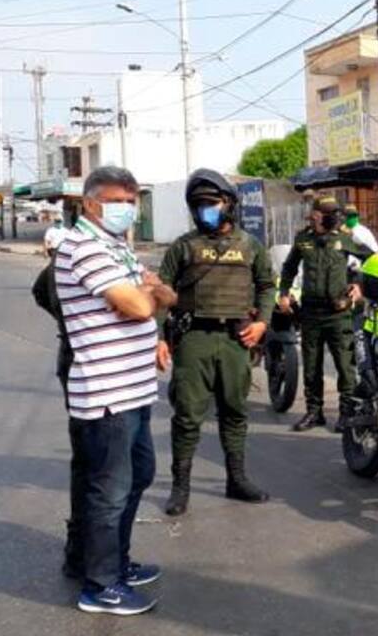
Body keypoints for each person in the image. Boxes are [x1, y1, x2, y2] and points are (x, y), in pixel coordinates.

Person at [55, 166, 175, 615]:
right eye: (118, 200)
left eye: (132, 200)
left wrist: (152, 292)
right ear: (90, 203)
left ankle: (114, 563)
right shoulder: (83, 247)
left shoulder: (114, 247)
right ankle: (100, 584)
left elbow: (165, 294)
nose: (127, 208)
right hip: (106, 394)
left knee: (137, 477)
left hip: (134, 389)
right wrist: (149, 294)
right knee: (110, 490)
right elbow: (142, 304)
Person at [157, 169, 275, 516]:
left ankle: (236, 480)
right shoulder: (184, 246)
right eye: (197, 205)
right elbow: (162, 293)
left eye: (210, 203)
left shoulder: (251, 246)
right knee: (188, 416)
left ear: (229, 205)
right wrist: (160, 338)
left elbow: (267, 286)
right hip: (194, 339)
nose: (203, 210)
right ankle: (180, 488)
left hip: (236, 339)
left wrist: (262, 324)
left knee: (235, 412)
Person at [279, 195, 370, 432]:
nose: (334, 217)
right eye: (329, 213)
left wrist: (360, 285)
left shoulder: (344, 239)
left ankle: (346, 414)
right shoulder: (304, 240)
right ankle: (314, 412)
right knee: (311, 366)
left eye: (335, 213)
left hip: (339, 314)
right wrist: (283, 293)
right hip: (310, 312)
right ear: (316, 215)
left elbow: (371, 259)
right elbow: (288, 267)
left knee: (344, 366)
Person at [32, 225, 84, 579]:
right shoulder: (68, 263)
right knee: (93, 461)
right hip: (83, 363)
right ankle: (81, 552)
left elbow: (39, 294)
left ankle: (88, 551)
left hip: (84, 358)